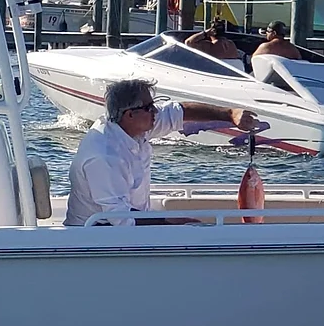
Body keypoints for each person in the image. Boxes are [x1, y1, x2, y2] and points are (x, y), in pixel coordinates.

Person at [66, 79, 259, 226]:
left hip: (125, 222)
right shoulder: (104, 155)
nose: (156, 112)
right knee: (189, 230)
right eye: (149, 108)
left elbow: (179, 111)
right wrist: (171, 223)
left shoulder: (135, 123)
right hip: (97, 233)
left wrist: (230, 115)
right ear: (130, 114)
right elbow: (119, 218)